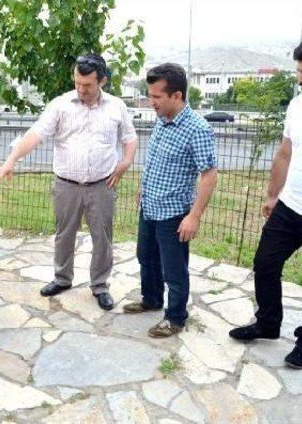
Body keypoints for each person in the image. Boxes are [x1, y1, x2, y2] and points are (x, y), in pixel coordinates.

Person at [0, 53, 137, 311]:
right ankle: (62, 278)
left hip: (103, 184)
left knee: (102, 237)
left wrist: (125, 163)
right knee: (64, 234)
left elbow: (129, 137)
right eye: (78, 83)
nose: (81, 89)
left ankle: (100, 285)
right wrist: (11, 159)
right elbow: (36, 134)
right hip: (66, 185)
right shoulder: (60, 105)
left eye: (88, 85)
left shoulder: (117, 107)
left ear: (102, 81)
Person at [229, 33, 302, 368]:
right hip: (290, 205)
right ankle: (268, 323)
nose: (301, 79)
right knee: (265, 264)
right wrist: (272, 195)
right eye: (300, 70)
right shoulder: (298, 106)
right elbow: (284, 153)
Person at [122, 63, 217, 338]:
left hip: (174, 213)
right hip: (150, 206)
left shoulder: (197, 129)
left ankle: (175, 317)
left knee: (174, 270)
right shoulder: (162, 119)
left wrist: (194, 216)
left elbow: (209, 175)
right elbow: (157, 161)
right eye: (150, 96)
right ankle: (151, 299)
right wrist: (143, 187)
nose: (151, 102)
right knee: (145, 256)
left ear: (177, 96)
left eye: (156, 97)